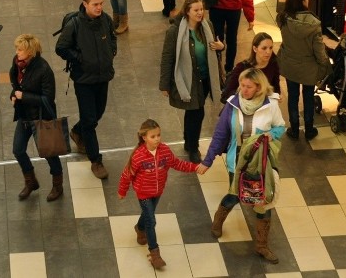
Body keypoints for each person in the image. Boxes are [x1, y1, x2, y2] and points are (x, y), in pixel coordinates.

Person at [200, 67, 285, 263]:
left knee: (264, 199)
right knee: (235, 195)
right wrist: (208, 160)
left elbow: (280, 126)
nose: (243, 90)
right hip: (237, 160)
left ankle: (262, 246)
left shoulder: (270, 104)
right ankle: (218, 219)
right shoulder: (232, 104)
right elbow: (220, 135)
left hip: (261, 161)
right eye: (241, 85)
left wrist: (271, 135)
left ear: (258, 87)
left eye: (248, 86)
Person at [118, 119, 202, 269]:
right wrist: (122, 191)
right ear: (144, 137)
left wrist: (195, 167)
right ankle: (154, 253)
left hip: (158, 191)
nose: (157, 139)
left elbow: (177, 164)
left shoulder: (164, 150)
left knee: (147, 215)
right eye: (153, 136)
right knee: (151, 221)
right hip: (143, 193)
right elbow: (127, 175)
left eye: (158, 135)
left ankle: (139, 228)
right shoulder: (138, 156)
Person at [55, 0, 117, 180]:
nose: (99, 8)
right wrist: (79, 58)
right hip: (83, 80)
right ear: (85, 4)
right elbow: (61, 47)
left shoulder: (105, 20)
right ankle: (95, 161)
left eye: (101, 4)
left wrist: (110, 52)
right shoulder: (74, 24)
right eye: (95, 5)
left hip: (103, 76)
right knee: (90, 121)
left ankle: (76, 131)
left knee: (97, 113)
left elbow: (113, 38)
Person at [159, 0, 224, 163]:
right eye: (196, 10)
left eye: (201, 9)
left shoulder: (207, 26)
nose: (200, 13)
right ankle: (193, 147)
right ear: (187, 11)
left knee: (193, 111)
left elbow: (214, 48)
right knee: (197, 111)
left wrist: (220, 47)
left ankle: (189, 141)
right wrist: (164, 84)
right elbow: (167, 57)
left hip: (205, 78)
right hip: (188, 79)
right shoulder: (175, 32)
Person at [9, 34, 64, 202]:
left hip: (41, 118)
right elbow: (16, 84)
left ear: (31, 51)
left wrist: (22, 95)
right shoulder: (17, 62)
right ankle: (31, 181)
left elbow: (48, 98)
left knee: (50, 153)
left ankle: (57, 186)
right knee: (18, 150)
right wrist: (14, 94)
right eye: (17, 48)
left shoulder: (44, 70)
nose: (17, 52)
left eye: (20, 49)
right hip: (24, 116)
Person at [276, 0, 330, 141]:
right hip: (309, 67)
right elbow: (319, 49)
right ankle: (309, 129)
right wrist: (325, 64)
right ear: (301, 2)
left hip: (290, 64)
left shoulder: (283, 19)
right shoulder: (313, 24)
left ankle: (293, 129)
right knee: (307, 97)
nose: (308, 0)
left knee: (292, 97)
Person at [222, 32, 281, 101]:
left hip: (264, 107)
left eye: (270, 48)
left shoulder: (273, 64)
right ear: (255, 49)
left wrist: (277, 96)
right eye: (264, 48)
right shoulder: (241, 67)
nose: (268, 52)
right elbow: (228, 92)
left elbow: (275, 87)